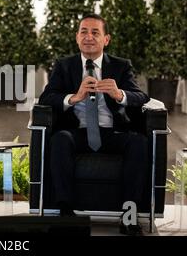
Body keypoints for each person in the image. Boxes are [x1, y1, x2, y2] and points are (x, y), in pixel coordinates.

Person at [39, 13, 149, 236]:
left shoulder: (120, 66)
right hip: (77, 132)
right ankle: (66, 214)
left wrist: (119, 94)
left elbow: (141, 96)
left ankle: (129, 216)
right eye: (84, 32)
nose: (89, 37)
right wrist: (74, 97)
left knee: (139, 143)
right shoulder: (64, 66)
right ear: (77, 37)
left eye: (95, 32)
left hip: (112, 132)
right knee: (59, 139)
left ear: (106, 39)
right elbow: (46, 98)